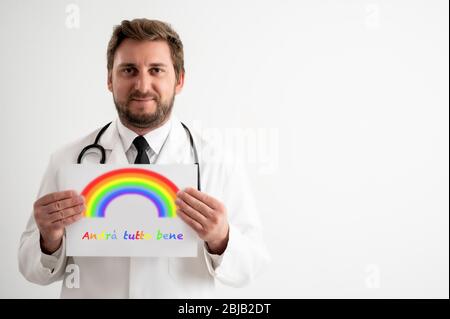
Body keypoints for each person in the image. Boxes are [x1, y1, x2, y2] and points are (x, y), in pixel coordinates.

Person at [18, 18, 269, 298]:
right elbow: (30, 269)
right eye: (128, 70)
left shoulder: (217, 161)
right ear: (109, 80)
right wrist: (48, 241)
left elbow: (252, 264)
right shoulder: (67, 160)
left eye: (156, 70)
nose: (142, 85)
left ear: (180, 80)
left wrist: (222, 238)